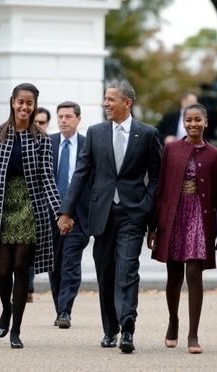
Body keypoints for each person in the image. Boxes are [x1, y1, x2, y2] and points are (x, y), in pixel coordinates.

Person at [57, 80, 161, 353]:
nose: (105, 103)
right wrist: (66, 211)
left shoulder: (147, 134)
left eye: (111, 99)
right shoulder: (95, 132)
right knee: (106, 274)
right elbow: (81, 173)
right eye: (105, 99)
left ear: (127, 103)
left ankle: (127, 328)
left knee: (127, 270)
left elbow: (157, 178)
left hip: (132, 214)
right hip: (101, 214)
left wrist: (147, 208)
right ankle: (110, 330)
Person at [0, 83, 60, 349]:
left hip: (29, 206)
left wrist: (59, 211)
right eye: (20, 101)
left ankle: (16, 330)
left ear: (34, 106)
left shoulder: (41, 138)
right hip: (0, 204)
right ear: (12, 102)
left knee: (22, 266)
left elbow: (48, 178)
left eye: (29, 103)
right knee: (2, 270)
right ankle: (6, 309)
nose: (24, 107)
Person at [147, 103, 217, 354]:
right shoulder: (171, 149)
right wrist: (154, 226)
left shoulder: (215, 154)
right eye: (188, 120)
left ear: (205, 122)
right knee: (174, 275)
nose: (193, 124)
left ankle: (193, 333)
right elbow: (160, 189)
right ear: (183, 122)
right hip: (174, 216)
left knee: (194, 273)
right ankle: (173, 321)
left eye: (197, 120)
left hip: (199, 217)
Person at [48, 101, 90, 328]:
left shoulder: (87, 145)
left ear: (78, 119)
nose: (63, 120)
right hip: (50, 216)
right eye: (60, 116)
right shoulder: (48, 143)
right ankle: (59, 308)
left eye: (68, 116)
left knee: (70, 263)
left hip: (78, 217)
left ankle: (65, 311)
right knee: (54, 265)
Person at [26, 106, 52, 303]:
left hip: (49, 206)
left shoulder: (50, 143)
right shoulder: (24, 141)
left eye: (42, 122)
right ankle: (27, 287)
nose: (38, 126)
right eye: (36, 122)